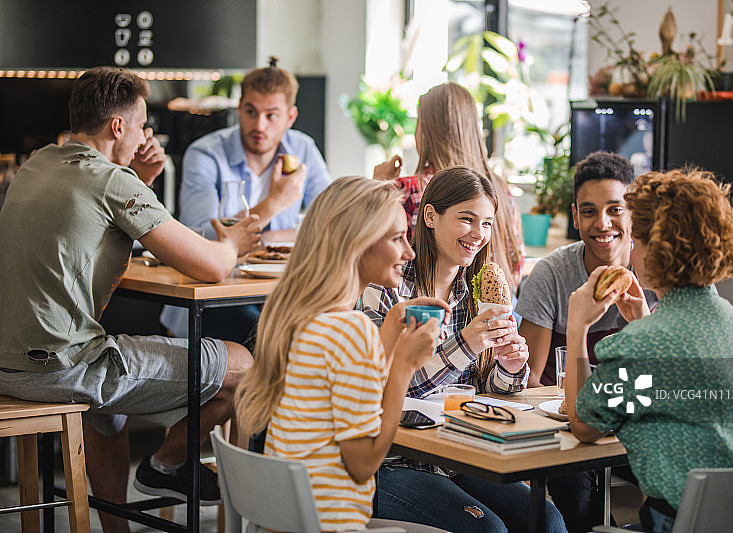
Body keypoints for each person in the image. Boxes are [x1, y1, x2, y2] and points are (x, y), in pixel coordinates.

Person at [0, 67, 261, 533]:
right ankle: (164, 464)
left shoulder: (37, 163)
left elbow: (87, 223)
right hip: (64, 369)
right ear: (118, 127)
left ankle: (116, 526)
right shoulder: (112, 181)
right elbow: (213, 265)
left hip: (9, 364)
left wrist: (137, 178)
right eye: (142, 124)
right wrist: (236, 241)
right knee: (244, 366)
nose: (147, 134)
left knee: (110, 398)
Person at [235, 176, 449, 532]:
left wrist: (392, 328)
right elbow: (363, 464)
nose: (409, 253)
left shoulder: (303, 320)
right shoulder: (352, 330)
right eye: (398, 239)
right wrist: (402, 368)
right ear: (358, 243)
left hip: (286, 521)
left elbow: (352, 394)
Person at [565, 169, 733, 533]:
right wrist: (643, 320)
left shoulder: (643, 343)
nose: (630, 247)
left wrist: (577, 326)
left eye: (637, 238)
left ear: (655, 248)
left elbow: (585, 426)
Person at [361, 167, 566, 533]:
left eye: (486, 224)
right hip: (392, 463)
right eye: (467, 219)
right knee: (487, 529)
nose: (478, 234)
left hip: (460, 458)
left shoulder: (476, 292)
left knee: (547, 519)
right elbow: (388, 389)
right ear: (430, 216)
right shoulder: (387, 287)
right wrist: (467, 343)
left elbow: (488, 392)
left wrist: (509, 366)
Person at [516, 151, 658, 532]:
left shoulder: (654, 271)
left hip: (631, 423)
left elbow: (662, 381)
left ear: (632, 215)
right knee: (579, 506)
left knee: (668, 478)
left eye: (615, 209)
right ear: (575, 217)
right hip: (564, 427)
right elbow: (528, 380)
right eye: (589, 211)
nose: (603, 223)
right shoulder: (551, 274)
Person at [161, 56, 331, 343]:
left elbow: (333, 223)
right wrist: (274, 203)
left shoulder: (303, 150)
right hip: (212, 295)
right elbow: (202, 239)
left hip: (277, 292)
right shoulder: (205, 154)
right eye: (251, 112)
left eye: (271, 115)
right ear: (239, 108)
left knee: (328, 329)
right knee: (275, 339)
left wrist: (270, 236)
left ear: (290, 117)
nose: (259, 125)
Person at [373, 81, 525, 294]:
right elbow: (515, 266)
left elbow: (376, 261)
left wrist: (379, 189)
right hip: (495, 310)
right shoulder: (500, 188)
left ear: (426, 131)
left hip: (425, 311)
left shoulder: (408, 190)